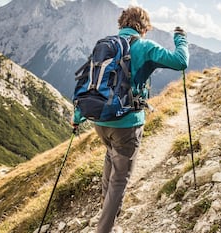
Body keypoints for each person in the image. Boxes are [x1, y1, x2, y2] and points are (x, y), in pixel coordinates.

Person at [72, 6, 189, 233]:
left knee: (110, 156)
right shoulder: (145, 46)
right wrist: (181, 39)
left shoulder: (105, 45)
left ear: (121, 24)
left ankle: (108, 211)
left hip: (99, 120)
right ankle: (105, 228)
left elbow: (91, 82)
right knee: (120, 179)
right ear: (144, 27)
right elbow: (180, 61)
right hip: (127, 123)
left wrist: (78, 117)